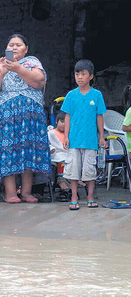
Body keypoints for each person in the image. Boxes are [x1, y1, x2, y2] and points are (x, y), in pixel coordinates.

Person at [0, 33, 50, 203]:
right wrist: (1, 72)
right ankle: (10, 193)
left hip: (30, 118)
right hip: (6, 117)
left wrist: (18, 68)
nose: (14, 47)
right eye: (11, 44)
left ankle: (27, 192)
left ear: (26, 49)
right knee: (7, 151)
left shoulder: (32, 62)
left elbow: (38, 81)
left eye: (18, 45)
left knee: (28, 151)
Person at [62, 59, 106, 210]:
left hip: (91, 140)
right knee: (73, 170)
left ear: (91, 76)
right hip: (74, 140)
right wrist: (66, 136)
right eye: (77, 74)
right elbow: (67, 116)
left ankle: (90, 197)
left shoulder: (97, 95)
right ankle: (74, 196)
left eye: (83, 74)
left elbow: (100, 116)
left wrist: (101, 136)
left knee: (89, 170)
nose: (79, 77)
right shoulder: (71, 95)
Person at [47, 111, 71, 201]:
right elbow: (47, 143)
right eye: (62, 122)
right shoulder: (51, 133)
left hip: (67, 154)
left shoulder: (68, 134)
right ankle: (61, 179)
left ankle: (74, 180)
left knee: (74, 160)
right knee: (62, 160)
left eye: (66, 122)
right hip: (56, 154)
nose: (64, 124)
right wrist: (51, 148)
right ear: (56, 121)